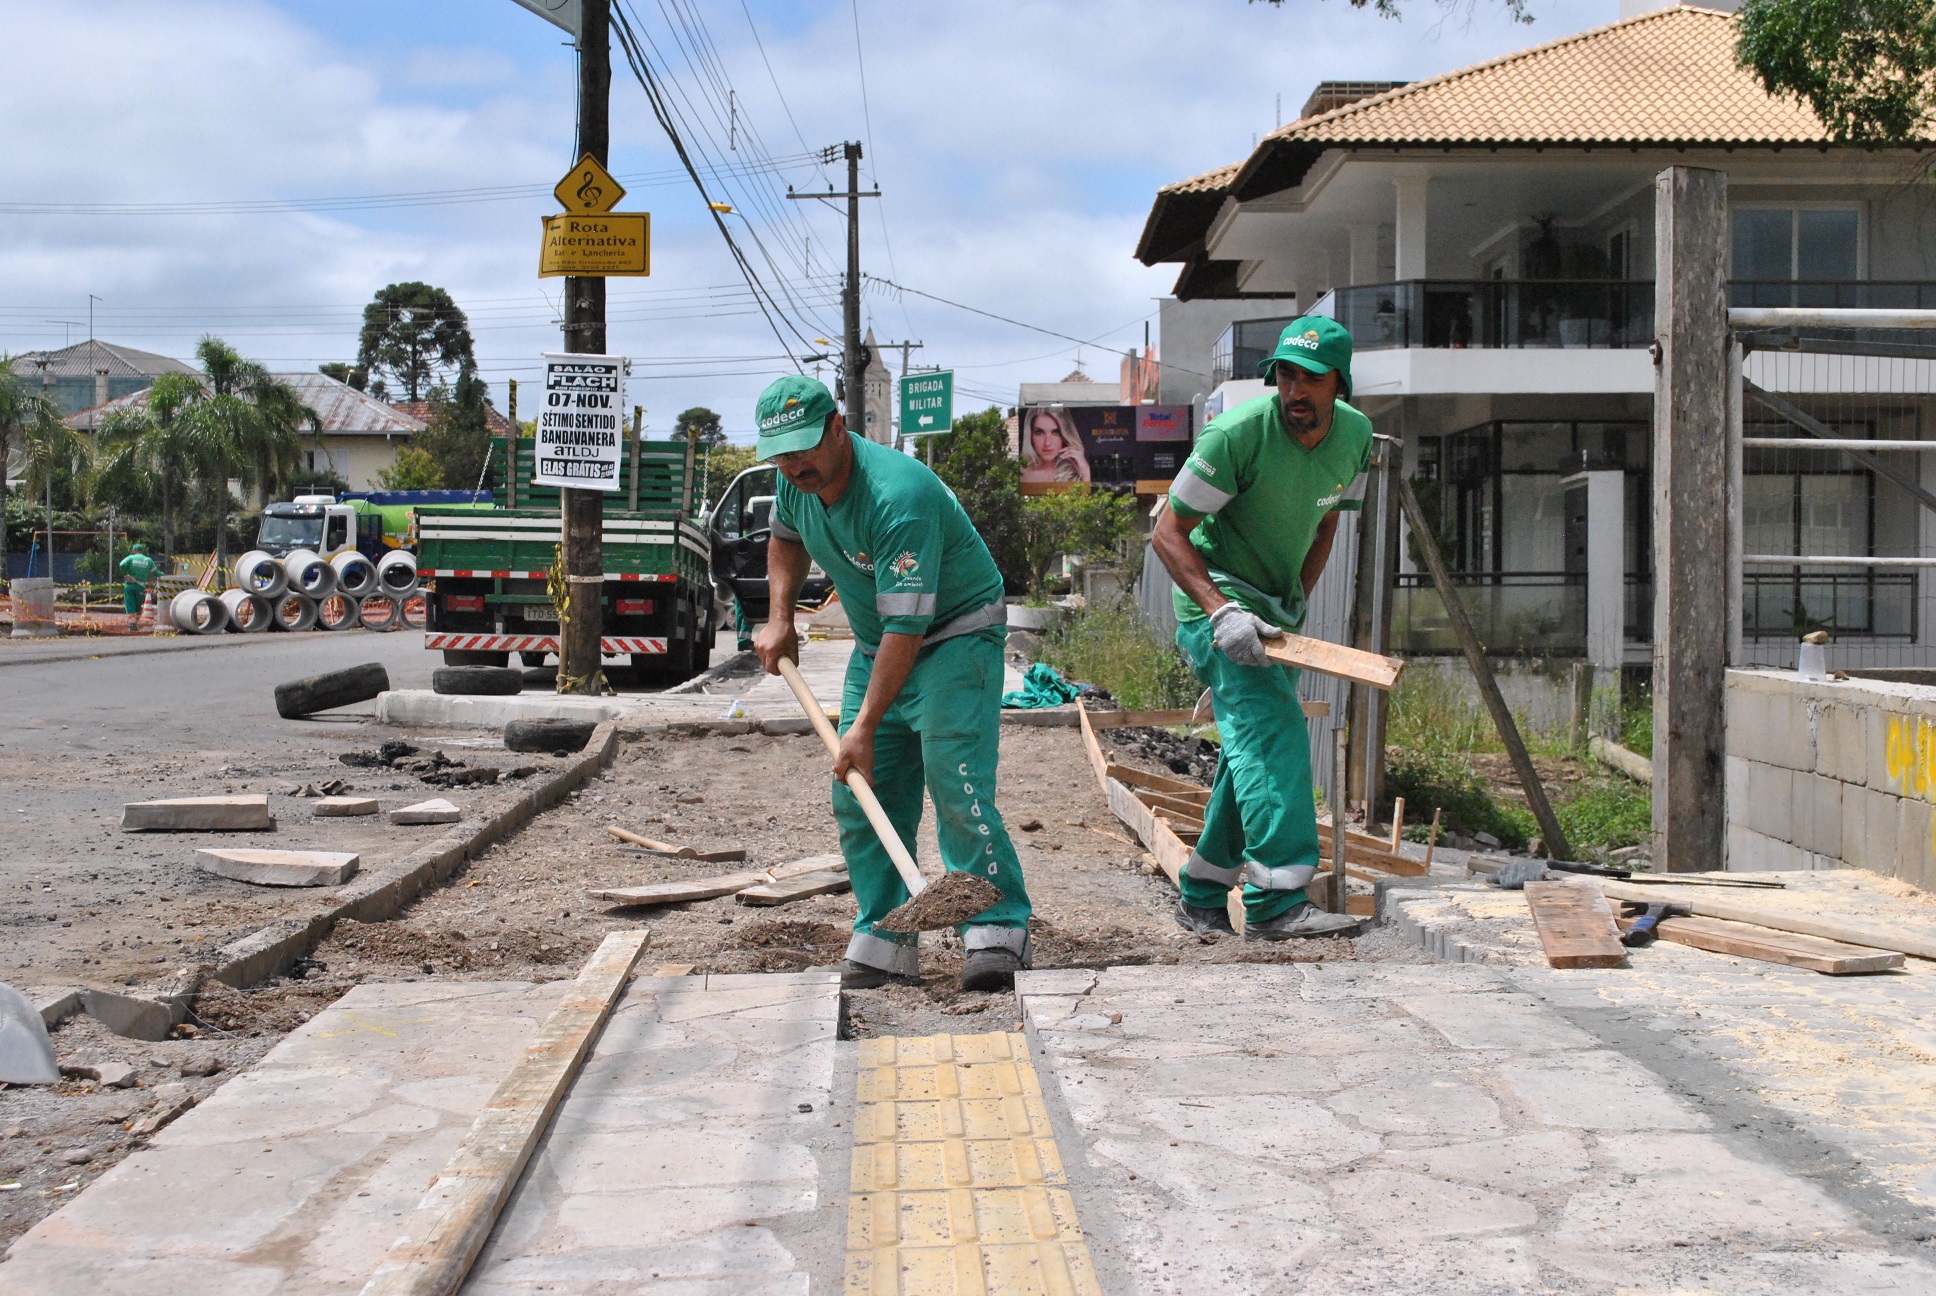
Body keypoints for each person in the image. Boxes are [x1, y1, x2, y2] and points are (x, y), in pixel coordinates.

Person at [750, 375, 1034, 992]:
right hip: (882, 640)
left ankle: (996, 927)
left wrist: (866, 726)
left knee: (954, 781)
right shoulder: (794, 481)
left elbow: (911, 625)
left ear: (837, 428)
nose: (793, 463)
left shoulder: (897, 495)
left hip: (954, 635)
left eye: (803, 446)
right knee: (858, 791)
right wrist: (779, 619)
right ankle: (886, 929)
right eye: (780, 452)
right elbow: (785, 541)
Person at [1151, 316, 1372, 941]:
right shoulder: (1237, 435)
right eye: (1285, 375)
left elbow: (1328, 522)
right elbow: (1167, 530)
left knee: (1251, 743)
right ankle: (1277, 899)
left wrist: (1294, 600)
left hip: (1274, 605)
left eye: (1312, 378)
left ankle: (1201, 889)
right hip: (1213, 601)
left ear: (1340, 383)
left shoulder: (1355, 437)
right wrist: (1222, 612)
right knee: (1274, 736)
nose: (1296, 390)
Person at [1019, 409, 1092, 486]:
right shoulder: (1022, 475)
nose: (1047, 443)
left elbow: (1087, 498)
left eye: (1055, 432)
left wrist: (1086, 473)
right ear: (1030, 435)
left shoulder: (1076, 472)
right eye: (1039, 432)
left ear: (1065, 435)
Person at [117, 541, 161, 617]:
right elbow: (156, 572)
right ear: (142, 551)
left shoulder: (131, 558)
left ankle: (132, 625)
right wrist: (167, 577)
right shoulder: (148, 560)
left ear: (134, 551)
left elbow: (122, 564)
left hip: (130, 585)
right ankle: (135, 623)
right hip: (140, 587)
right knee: (138, 607)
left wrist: (126, 574)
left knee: (130, 606)